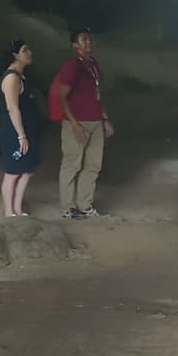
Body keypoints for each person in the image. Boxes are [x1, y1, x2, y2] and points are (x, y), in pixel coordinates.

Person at [51, 28, 114, 220]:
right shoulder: (72, 66)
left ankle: (85, 205)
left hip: (95, 121)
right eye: (83, 39)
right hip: (77, 122)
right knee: (72, 163)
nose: (88, 42)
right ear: (75, 45)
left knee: (93, 165)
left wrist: (105, 119)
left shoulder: (92, 64)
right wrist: (73, 123)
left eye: (89, 39)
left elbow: (96, 96)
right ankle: (68, 207)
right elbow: (62, 96)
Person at [0, 40, 44, 218]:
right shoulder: (11, 78)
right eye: (25, 50)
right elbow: (12, 108)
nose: (30, 53)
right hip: (14, 133)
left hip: (25, 130)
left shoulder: (20, 76)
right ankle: (9, 211)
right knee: (13, 172)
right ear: (15, 55)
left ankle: (17, 209)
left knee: (27, 170)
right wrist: (21, 136)